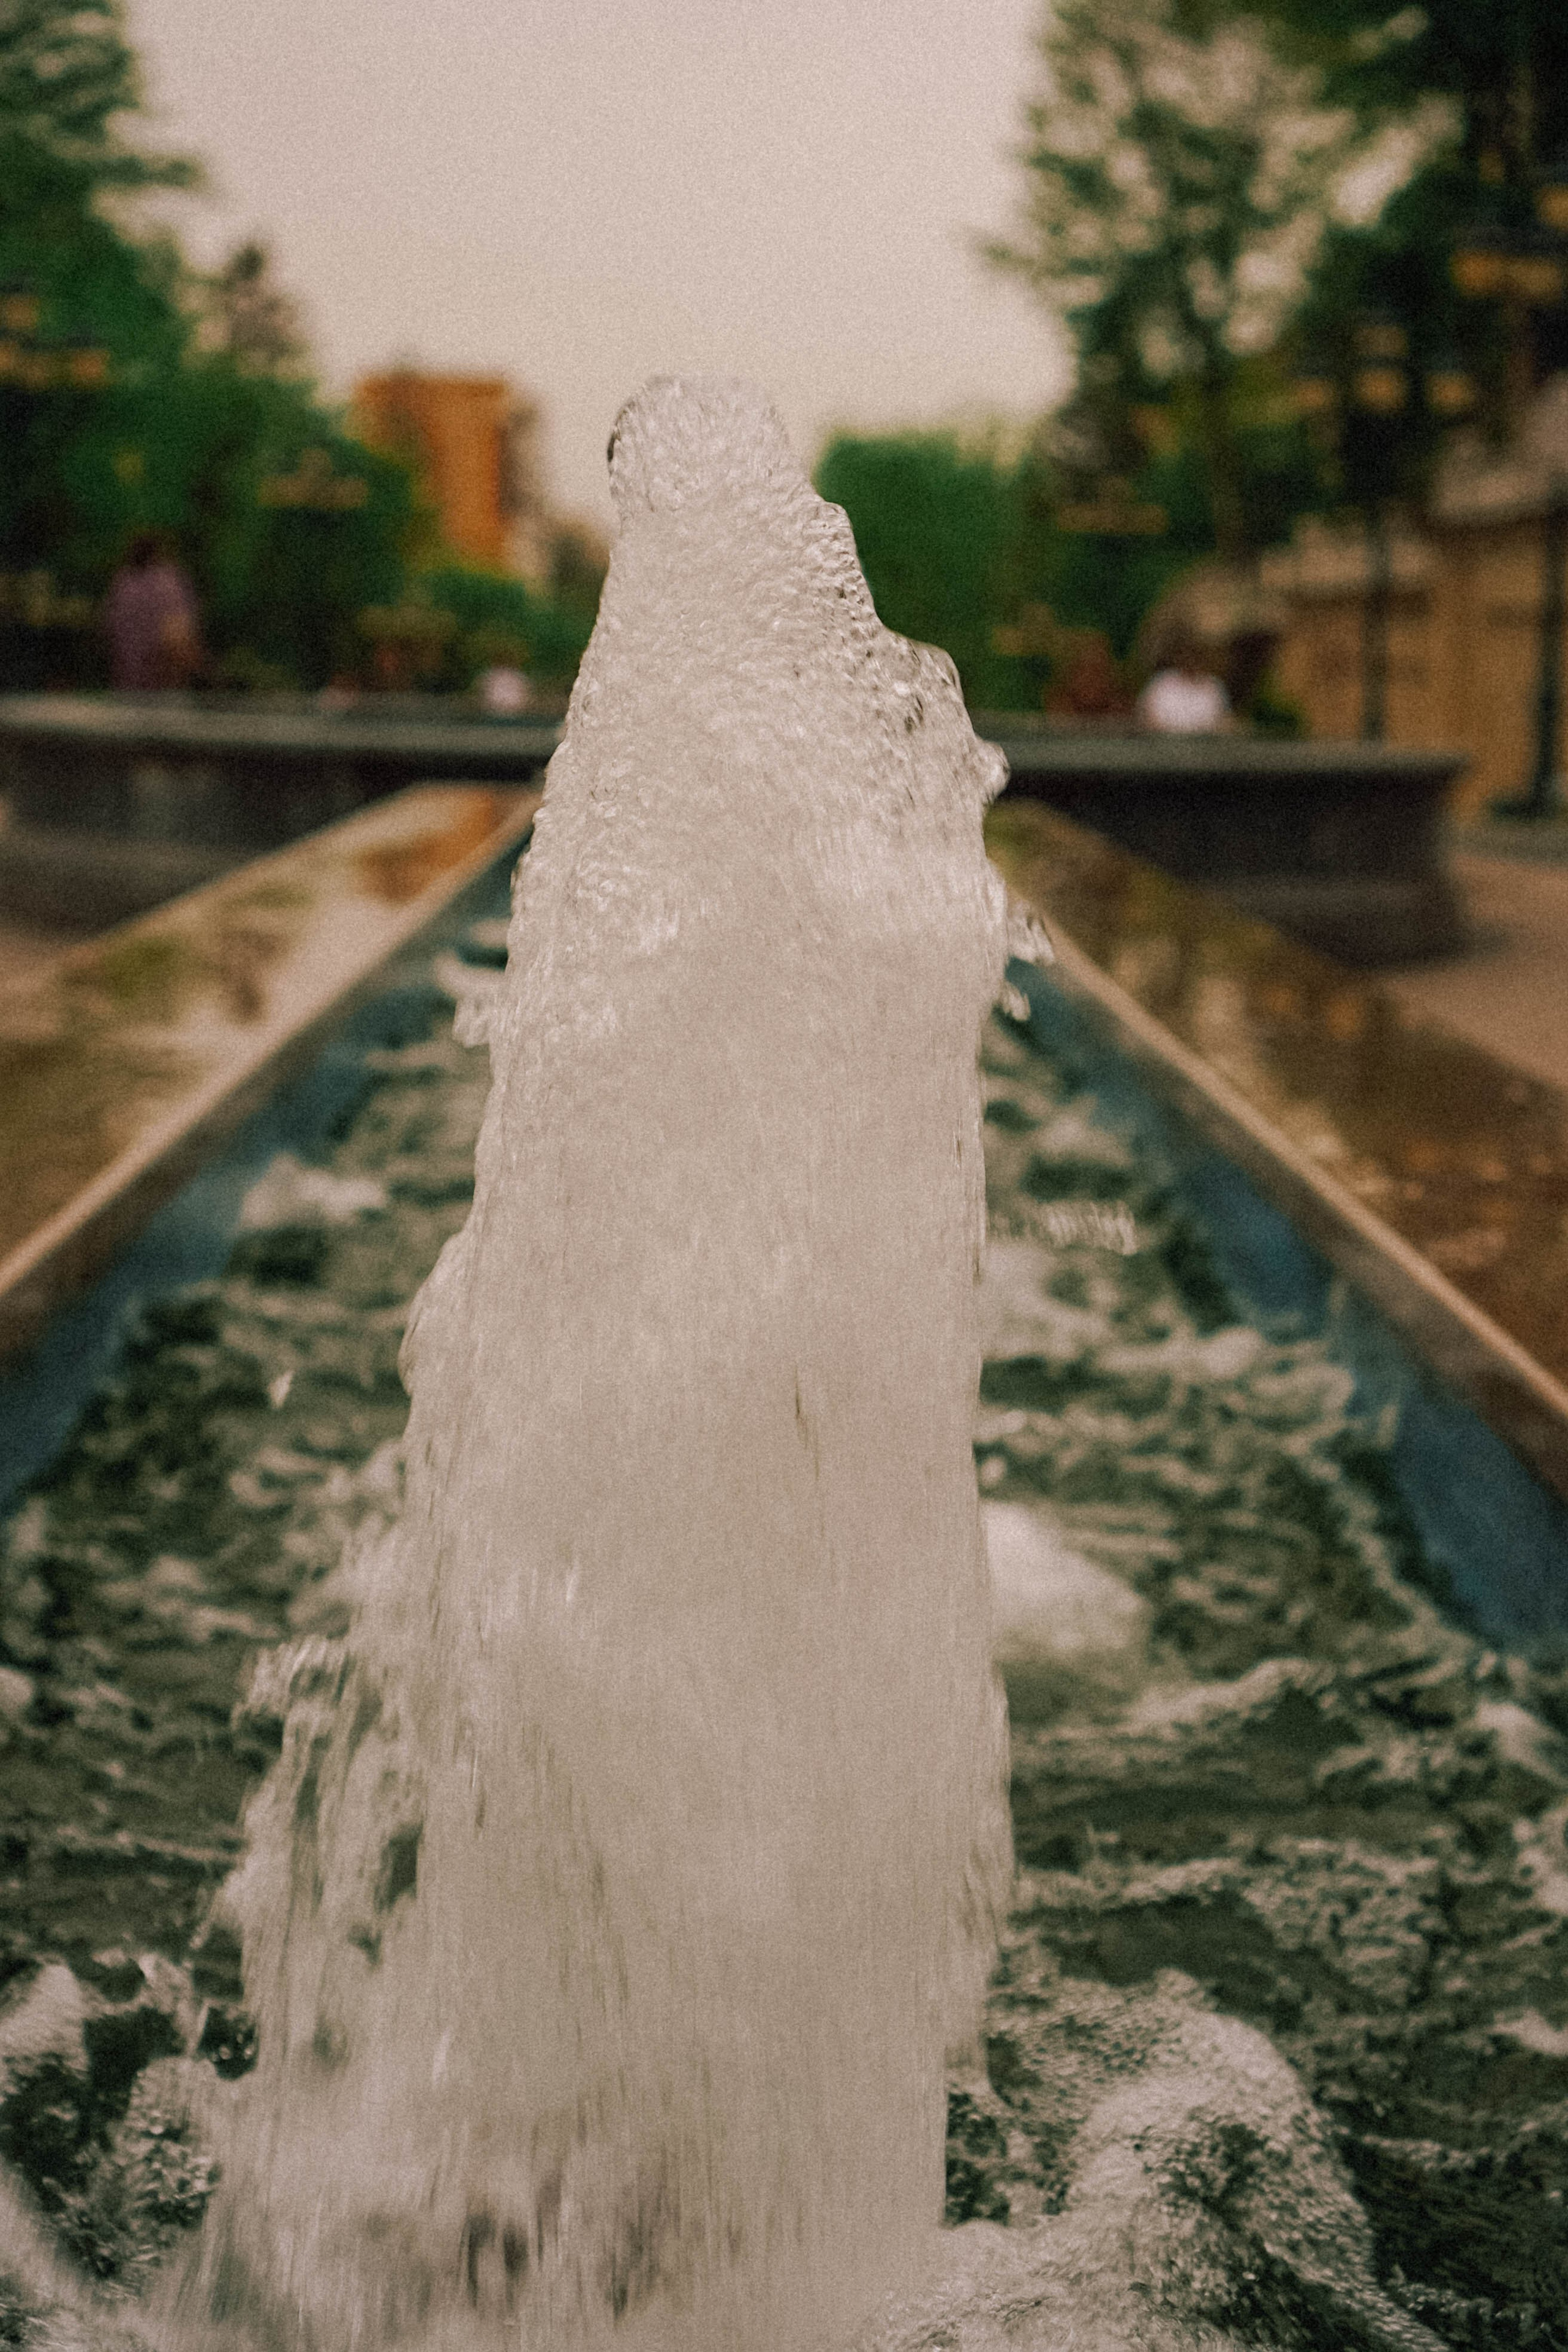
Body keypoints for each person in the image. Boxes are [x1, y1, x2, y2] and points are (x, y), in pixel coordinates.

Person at [104, 531, 202, 690]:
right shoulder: (167, 583)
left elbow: (109, 629)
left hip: (127, 680)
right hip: (161, 681)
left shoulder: (122, 583)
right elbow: (177, 637)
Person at [1136, 634, 1232, 734]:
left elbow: (1224, 722)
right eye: (1188, 656)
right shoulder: (1161, 684)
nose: (1191, 662)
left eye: (1196, 657)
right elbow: (1147, 720)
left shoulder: (1214, 687)